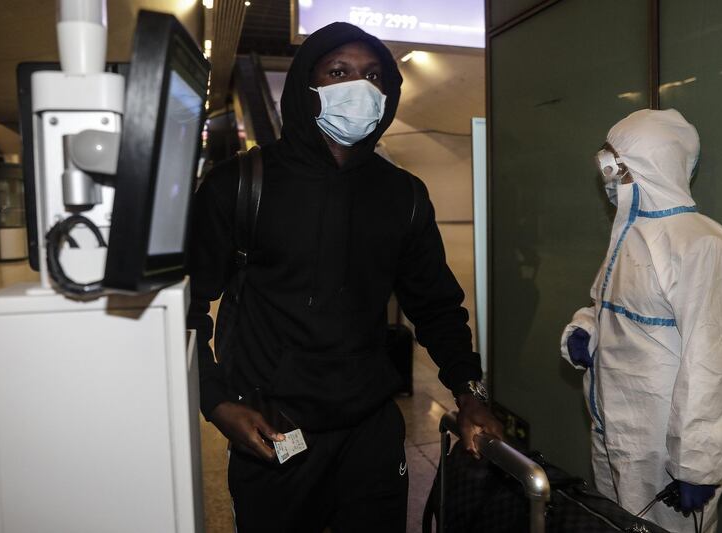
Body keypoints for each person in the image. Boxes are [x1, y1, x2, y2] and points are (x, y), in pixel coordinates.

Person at [187, 22, 502, 532]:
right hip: (273, 427)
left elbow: (435, 304)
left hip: (370, 430)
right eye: (339, 72)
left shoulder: (403, 194)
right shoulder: (240, 184)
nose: (360, 87)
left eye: (374, 75)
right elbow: (187, 307)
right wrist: (217, 402)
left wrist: (470, 391)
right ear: (306, 88)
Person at [560, 109, 722, 533]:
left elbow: (711, 362)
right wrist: (585, 330)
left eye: (617, 169)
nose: (610, 181)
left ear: (651, 166)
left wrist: (696, 462)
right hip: (617, 428)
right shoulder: (629, 236)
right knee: (615, 522)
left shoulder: (702, 246)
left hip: (667, 446)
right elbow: (608, 305)